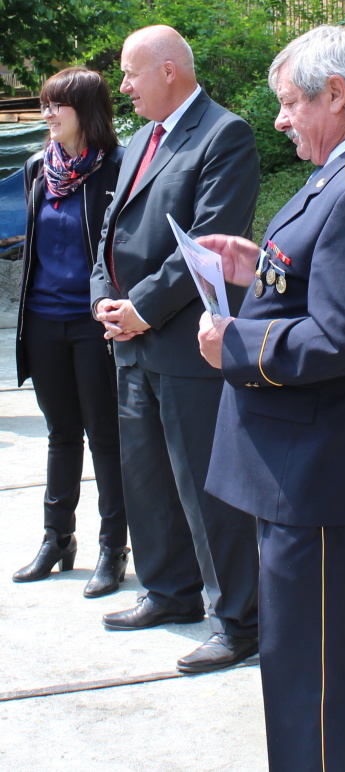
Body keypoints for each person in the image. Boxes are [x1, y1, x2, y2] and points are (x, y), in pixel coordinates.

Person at [197, 25, 345, 770]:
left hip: (325, 478)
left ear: (336, 94)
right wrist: (252, 268)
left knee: (315, 690)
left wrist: (235, 344)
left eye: (290, 102)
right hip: (307, 472)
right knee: (300, 675)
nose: (279, 118)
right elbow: (315, 281)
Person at [89, 25, 260, 673]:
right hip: (131, 340)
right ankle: (170, 591)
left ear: (168, 70)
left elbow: (210, 238)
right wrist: (106, 296)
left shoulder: (224, 135)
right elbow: (111, 228)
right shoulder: (138, 141)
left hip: (188, 343)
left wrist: (142, 308)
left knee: (205, 484)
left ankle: (240, 619)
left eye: (131, 74)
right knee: (148, 475)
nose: (123, 87)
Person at [13, 67, 129, 599]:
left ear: (86, 109)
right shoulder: (38, 167)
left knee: (106, 437)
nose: (47, 114)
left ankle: (113, 549)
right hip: (41, 320)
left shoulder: (118, 168)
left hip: (91, 323)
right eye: (44, 104)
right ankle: (57, 539)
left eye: (57, 105)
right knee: (62, 433)